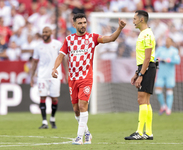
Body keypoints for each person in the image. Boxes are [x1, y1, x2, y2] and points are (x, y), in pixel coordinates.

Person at [52, 13, 126, 145]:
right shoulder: (69, 40)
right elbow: (61, 55)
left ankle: (79, 138)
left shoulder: (93, 38)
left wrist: (119, 29)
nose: (83, 25)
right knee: (76, 110)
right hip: (72, 79)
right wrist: (54, 68)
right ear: (74, 25)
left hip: (86, 77)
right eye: (80, 23)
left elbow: (110, 39)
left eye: (84, 22)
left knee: (82, 105)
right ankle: (87, 133)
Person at [124, 10, 156, 140]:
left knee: (141, 100)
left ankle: (139, 132)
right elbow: (144, 58)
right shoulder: (144, 33)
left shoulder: (147, 34)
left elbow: (147, 57)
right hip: (145, 68)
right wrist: (137, 73)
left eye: (135, 18)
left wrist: (141, 74)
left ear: (141, 19)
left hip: (147, 68)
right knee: (146, 101)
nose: (133, 21)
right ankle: (148, 132)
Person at [30, 25, 67, 129]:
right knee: (42, 97)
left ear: (51, 33)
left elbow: (63, 59)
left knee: (54, 98)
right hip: (42, 76)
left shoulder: (58, 44)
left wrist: (67, 74)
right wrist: (32, 77)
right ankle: (44, 121)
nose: (44, 34)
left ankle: (52, 118)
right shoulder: (38, 47)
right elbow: (35, 62)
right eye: (43, 32)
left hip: (55, 75)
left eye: (46, 32)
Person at [155, 37, 180, 115]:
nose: (167, 42)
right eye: (166, 41)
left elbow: (178, 61)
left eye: (168, 41)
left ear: (171, 42)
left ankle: (169, 109)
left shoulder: (174, 51)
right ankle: (163, 106)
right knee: (158, 91)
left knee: (169, 91)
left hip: (170, 74)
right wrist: (158, 59)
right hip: (161, 73)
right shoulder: (160, 50)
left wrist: (169, 60)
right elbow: (154, 59)